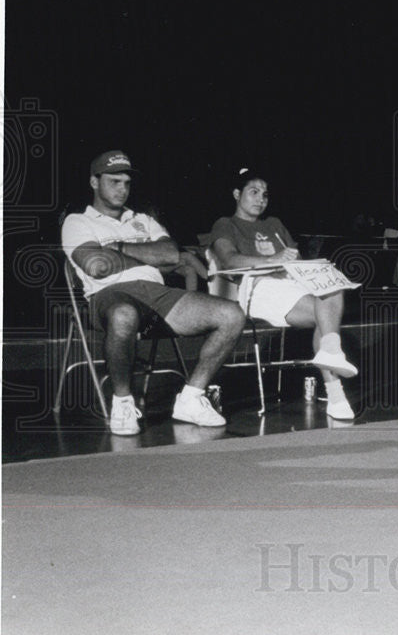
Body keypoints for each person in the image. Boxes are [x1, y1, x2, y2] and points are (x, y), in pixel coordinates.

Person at [61, 151, 245, 436]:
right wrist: (149, 255)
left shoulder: (143, 219)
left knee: (231, 314)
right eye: (114, 181)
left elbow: (172, 255)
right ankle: (122, 402)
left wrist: (117, 249)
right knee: (124, 314)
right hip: (109, 295)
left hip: (158, 295)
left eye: (126, 183)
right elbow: (96, 266)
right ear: (94, 182)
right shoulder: (78, 222)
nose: (122, 189)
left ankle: (191, 398)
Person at [209, 169, 358, 420]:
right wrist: (272, 259)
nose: (261, 199)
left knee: (332, 286)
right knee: (327, 317)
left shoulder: (274, 224)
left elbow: (295, 259)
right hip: (256, 287)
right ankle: (335, 393)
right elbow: (229, 260)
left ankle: (331, 350)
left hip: (289, 284)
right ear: (237, 194)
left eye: (265, 194)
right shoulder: (225, 224)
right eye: (253, 192)